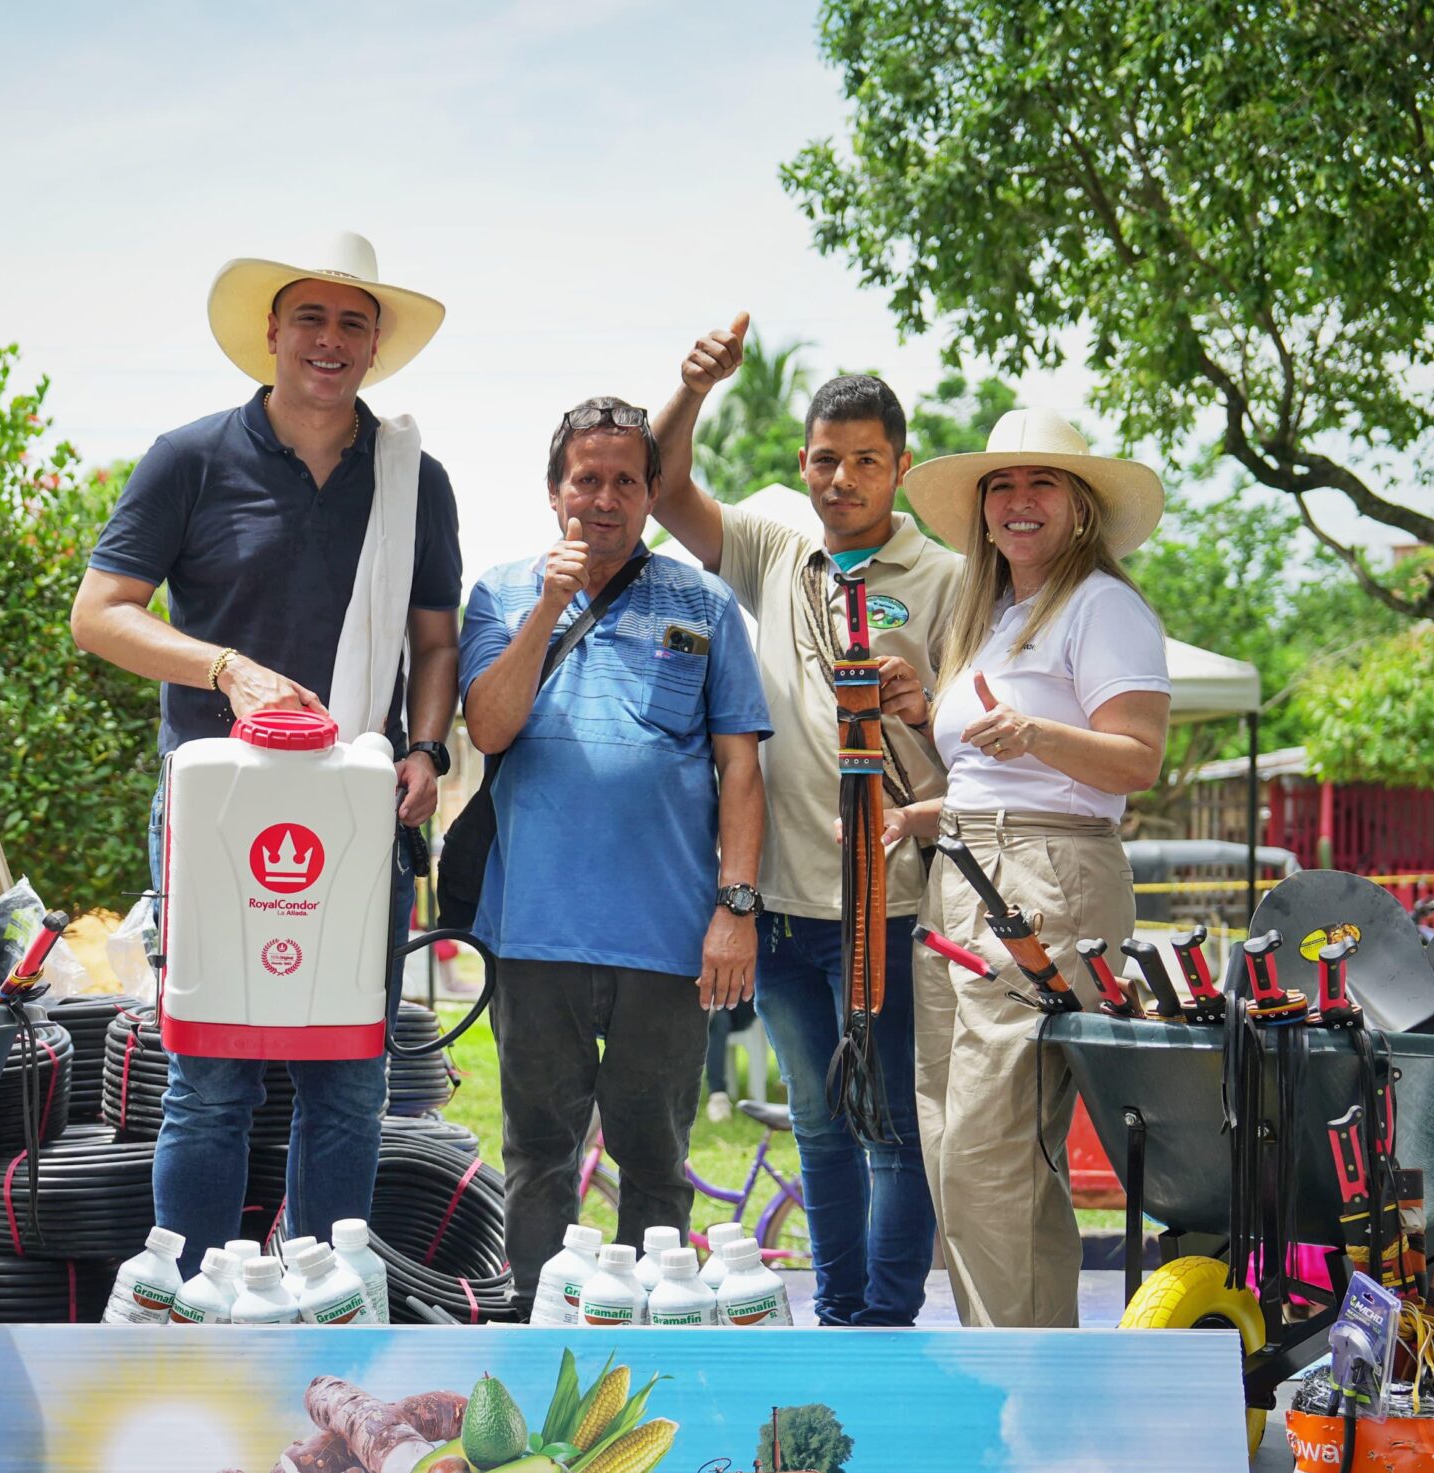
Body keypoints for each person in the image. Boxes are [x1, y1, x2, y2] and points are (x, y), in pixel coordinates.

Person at [68, 231, 461, 1264]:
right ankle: (190, 1305)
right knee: (212, 1075)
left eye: (353, 323)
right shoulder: (190, 459)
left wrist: (427, 749)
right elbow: (101, 615)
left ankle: (321, 1307)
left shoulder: (414, 479)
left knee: (348, 1075)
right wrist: (221, 668)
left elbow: (433, 641)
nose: (329, 342)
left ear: (375, 346)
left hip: (357, 809)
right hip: (219, 812)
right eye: (311, 319)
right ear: (272, 334)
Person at [652, 312, 958, 1325]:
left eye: (865, 462)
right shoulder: (774, 549)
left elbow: (980, 742)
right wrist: (695, 385)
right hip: (778, 912)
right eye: (826, 460)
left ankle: (885, 1324)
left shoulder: (949, 580)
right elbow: (660, 487)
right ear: (804, 462)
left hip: (891, 909)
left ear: (899, 467)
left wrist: (927, 714)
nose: (841, 481)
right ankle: (836, 1316)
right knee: (820, 1129)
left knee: (890, 1134)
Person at [459, 399, 772, 1286]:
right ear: (554, 489)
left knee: (657, 1167)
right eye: (584, 479)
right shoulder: (502, 591)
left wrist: (736, 910)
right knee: (539, 1160)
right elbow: (486, 727)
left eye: (624, 481)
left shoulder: (704, 601)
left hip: (668, 943)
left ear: (651, 491)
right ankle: (534, 1331)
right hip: (535, 937)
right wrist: (551, 604)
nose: (603, 499)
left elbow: (741, 771)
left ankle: (644, 1343)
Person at [895, 409, 1171, 1328]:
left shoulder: (1103, 605)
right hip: (968, 868)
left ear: (1081, 505)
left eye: (1041, 482)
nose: (1018, 502)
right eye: (1001, 486)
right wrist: (930, 812)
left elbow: (1135, 761)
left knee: (990, 1150)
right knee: (958, 1141)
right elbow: (993, 773)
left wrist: (1036, 733)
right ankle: (1025, 1372)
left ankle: (1017, 1389)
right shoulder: (995, 613)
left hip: (1043, 879)